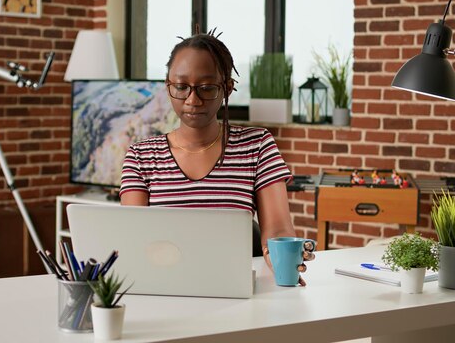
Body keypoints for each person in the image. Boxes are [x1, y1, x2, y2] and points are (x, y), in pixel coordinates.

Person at [118, 29, 314, 285]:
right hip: (164, 285)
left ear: (228, 89)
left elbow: (277, 231)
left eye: (206, 88)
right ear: (168, 87)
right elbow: (135, 240)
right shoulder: (140, 156)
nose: (192, 99)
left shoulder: (258, 146)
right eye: (181, 87)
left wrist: (285, 259)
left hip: (232, 285)